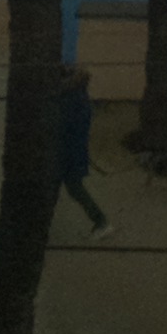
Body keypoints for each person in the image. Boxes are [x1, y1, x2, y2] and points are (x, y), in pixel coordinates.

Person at [56, 62, 113, 239]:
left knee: (74, 188)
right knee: (73, 187)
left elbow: (60, 125)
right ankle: (101, 221)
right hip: (73, 150)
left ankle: (101, 222)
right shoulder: (78, 95)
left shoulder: (68, 99)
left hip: (67, 151)